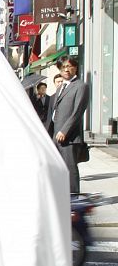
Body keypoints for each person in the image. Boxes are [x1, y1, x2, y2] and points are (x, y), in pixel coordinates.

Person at [50, 56, 89, 193]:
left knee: (70, 169)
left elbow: (78, 112)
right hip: (56, 135)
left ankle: (74, 199)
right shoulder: (61, 86)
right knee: (59, 169)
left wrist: (65, 130)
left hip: (69, 137)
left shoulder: (81, 86)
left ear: (75, 67)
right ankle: (62, 197)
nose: (66, 69)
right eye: (63, 67)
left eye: (69, 66)